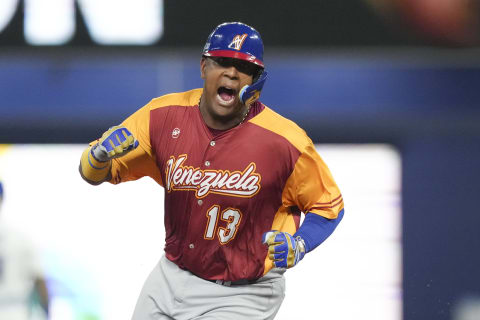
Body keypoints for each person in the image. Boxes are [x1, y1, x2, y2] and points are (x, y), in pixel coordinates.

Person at [79, 22, 344, 320]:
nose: (231, 73)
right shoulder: (161, 116)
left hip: (244, 291)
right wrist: (100, 156)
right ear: (204, 66)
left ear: (256, 81)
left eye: (243, 67)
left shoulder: (286, 141)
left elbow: (329, 206)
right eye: (223, 62)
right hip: (172, 274)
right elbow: (91, 172)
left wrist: (301, 242)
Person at [0, 181, 50, 320]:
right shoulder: (21, 238)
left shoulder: (21, 238)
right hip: (16, 312)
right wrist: (47, 314)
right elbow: (40, 282)